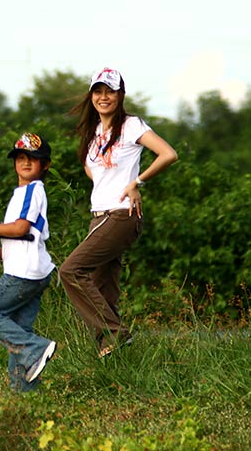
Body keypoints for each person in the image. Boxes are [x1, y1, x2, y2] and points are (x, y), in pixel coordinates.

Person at [59, 68, 178, 358]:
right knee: (103, 291)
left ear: (120, 95)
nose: (104, 97)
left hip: (121, 214)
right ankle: (115, 361)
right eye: (98, 91)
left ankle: (116, 334)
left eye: (110, 91)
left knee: (71, 271)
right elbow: (92, 169)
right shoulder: (92, 133)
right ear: (91, 96)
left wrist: (136, 183)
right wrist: (106, 184)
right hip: (98, 216)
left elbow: (168, 154)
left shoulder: (131, 125)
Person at [0, 133, 57, 391]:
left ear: (45, 165)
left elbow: (20, 227)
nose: (26, 162)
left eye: (33, 158)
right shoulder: (22, 192)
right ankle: (24, 390)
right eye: (21, 157)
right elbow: (29, 232)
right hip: (32, 269)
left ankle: (36, 349)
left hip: (24, 273)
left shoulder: (33, 191)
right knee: (19, 329)